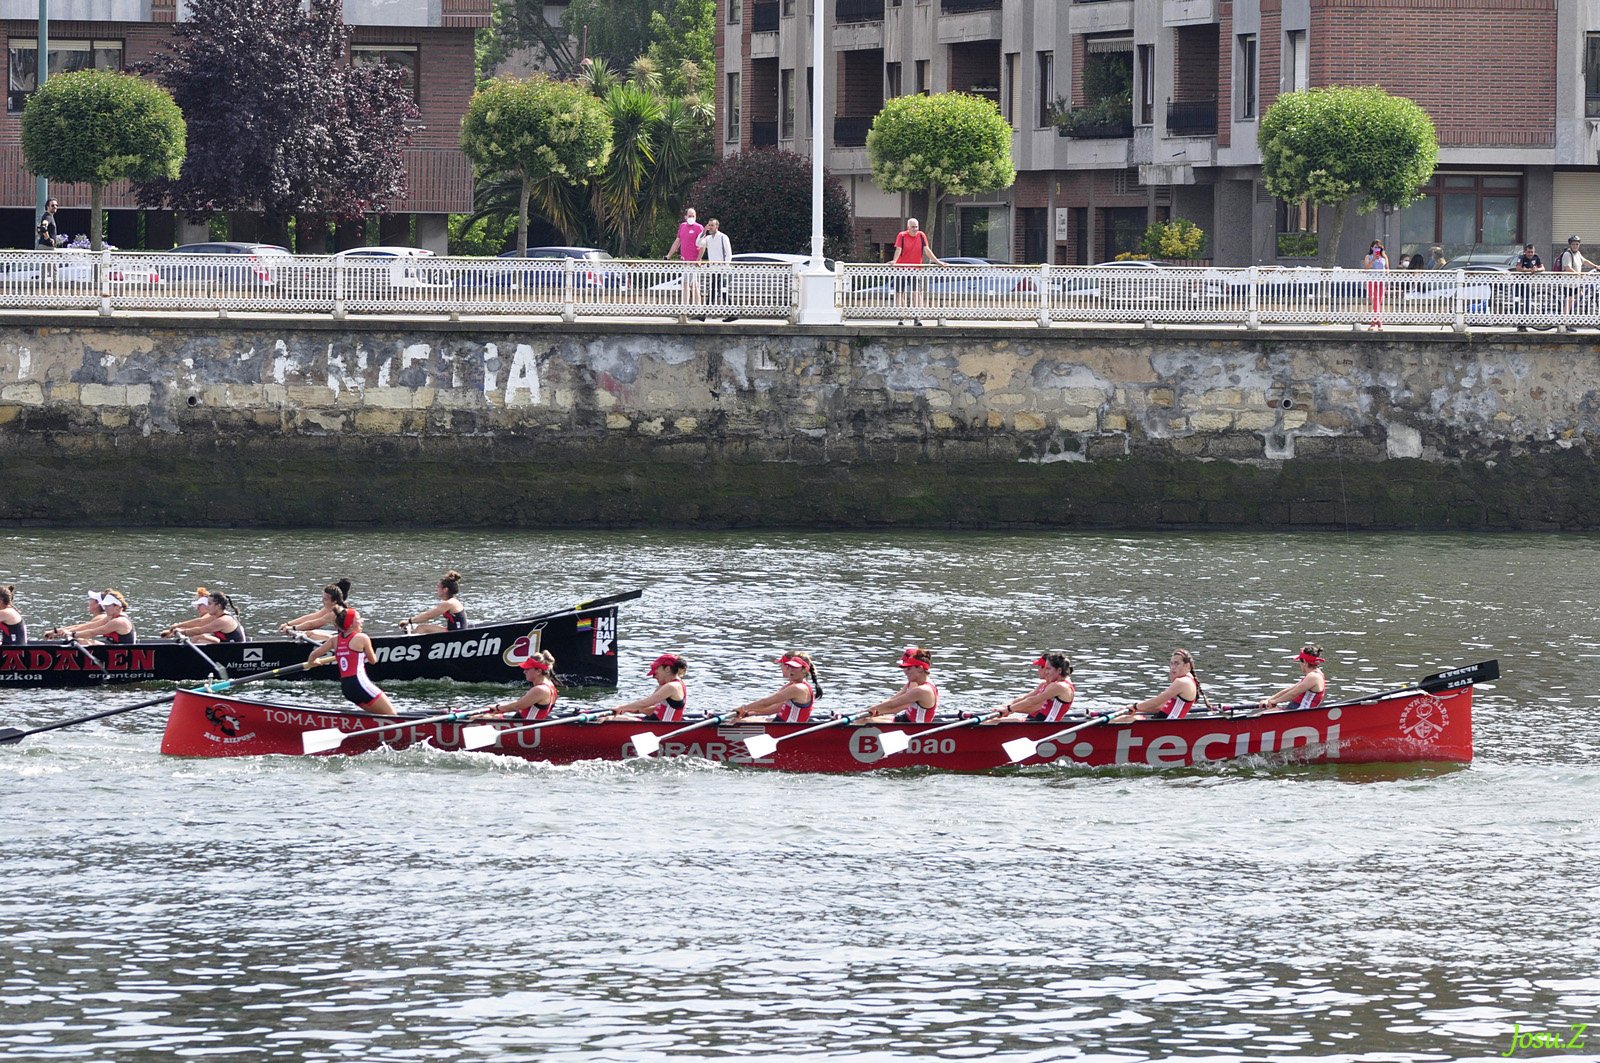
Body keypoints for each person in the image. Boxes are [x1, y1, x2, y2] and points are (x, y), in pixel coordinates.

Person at [306, 602, 396, 715]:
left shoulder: (334, 640)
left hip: (347, 688)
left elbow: (313, 655)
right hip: (360, 684)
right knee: (392, 715)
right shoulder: (362, 638)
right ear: (350, 625)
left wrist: (314, 662)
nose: (362, 621)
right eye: (358, 619)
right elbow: (373, 661)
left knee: (380, 715)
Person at [1119, 648, 1209, 721]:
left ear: (1187, 666)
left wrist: (1134, 706)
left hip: (1165, 724)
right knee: (1128, 716)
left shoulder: (1182, 682)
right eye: (1171, 664)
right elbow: (1159, 706)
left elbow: (1156, 702)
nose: (1173, 668)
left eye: (1177, 664)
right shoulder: (1189, 680)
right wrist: (1136, 710)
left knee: (1125, 719)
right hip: (1164, 721)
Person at [731, 651, 821, 723]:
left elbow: (765, 702)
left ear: (804, 670)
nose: (790, 670)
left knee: (734, 722)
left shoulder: (798, 688)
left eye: (794, 667)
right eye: (789, 667)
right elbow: (776, 707)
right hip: (780, 723)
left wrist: (743, 708)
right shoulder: (796, 685)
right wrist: (749, 713)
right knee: (739, 720)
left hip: (786, 729)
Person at [991, 652, 1076, 722]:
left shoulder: (1060, 686)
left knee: (995, 722)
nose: (1045, 672)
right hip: (1038, 721)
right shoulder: (1055, 683)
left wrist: (1009, 709)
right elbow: (1026, 698)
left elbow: (1032, 701)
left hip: (1045, 726)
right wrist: (1007, 708)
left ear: (1059, 670)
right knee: (995, 720)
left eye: (1048, 669)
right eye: (1045, 668)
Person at [863, 647, 940, 724]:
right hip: (905, 719)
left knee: (863, 721)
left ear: (920, 669)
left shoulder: (922, 690)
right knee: (865, 718)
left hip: (914, 727)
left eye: (909, 668)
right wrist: (873, 709)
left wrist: (873, 710)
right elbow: (893, 699)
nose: (905, 671)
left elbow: (893, 705)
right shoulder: (920, 682)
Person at [892, 217, 945, 326]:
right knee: (899, 293)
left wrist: (937, 262)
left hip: (916, 269)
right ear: (908, 227)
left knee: (917, 293)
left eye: (916, 227)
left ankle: (917, 317)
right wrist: (894, 261)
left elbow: (927, 250)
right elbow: (899, 249)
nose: (915, 229)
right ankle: (901, 316)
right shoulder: (902, 235)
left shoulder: (921, 235)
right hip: (901, 269)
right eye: (913, 227)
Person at [606, 653, 690, 721]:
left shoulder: (672, 686)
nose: (653, 677)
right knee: (613, 717)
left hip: (662, 727)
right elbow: (655, 709)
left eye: (655, 673)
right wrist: (628, 710)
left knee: (611, 719)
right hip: (654, 722)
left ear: (667, 669)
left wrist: (621, 707)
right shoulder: (665, 686)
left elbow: (644, 703)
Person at [483, 652, 559, 720]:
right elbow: (521, 703)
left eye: (527, 669)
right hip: (524, 723)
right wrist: (500, 708)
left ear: (538, 671)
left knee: (475, 718)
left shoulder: (540, 689)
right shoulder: (550, 685)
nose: (524, 671)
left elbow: (517, 706)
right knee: (486, 716)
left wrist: (497, 708)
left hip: (524, 728)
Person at [1258, 645, 1328, 712]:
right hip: (1295, 709)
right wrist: (1269, 699)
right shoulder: (1314, 674)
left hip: (1301, 712)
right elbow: (1291, 689)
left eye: (1300, 662)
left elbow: (1293, 694)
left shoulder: (1313, 677)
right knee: (1262, 714)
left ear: (1304, 662)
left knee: (1261, 715)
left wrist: (1275, 701)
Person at [162, 589, 246, 644]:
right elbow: (200, 622)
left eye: (209, 604)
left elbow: (201, 630)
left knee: (198, 637)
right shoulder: (216, 615)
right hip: (223, 645)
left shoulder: (224, 620)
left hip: (235, 652)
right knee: (198, 638)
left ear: (218, 606)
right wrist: (178, 625)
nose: (207, 607)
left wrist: (182, 631)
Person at [279, 578, 352, 640]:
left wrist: (293, 628)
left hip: (349, 641)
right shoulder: (334, 607)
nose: (322, 601)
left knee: (310, 634)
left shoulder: (334, 613)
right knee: (308, 633)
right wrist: (288, 624)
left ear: (334, 601)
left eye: (325, 599)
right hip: (344, 638)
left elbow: (312, 624)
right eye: (322, 598)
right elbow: (312, 617)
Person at [665, 206, 705, 313]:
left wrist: (699, 259)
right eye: (689, 215)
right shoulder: (682, 226)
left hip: (693, 262)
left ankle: (685, 308)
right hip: (685, 261)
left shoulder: (699, 228)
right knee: (693, 285)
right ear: (685, 216)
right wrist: (669, 255)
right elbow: (677, 242)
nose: (691, 217)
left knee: (686, 284)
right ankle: (698, 309)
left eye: (693, 216)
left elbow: (702, 246)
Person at [696, 218, 737, 322]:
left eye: (712, 225)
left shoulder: (723, 237)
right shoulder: (709, 238)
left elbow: (728, 254)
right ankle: (732, 313)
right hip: (714, 270)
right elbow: (698, 243)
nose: (710, 227)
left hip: (723, 270)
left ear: (717, 227)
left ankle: (704, 314)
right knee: (715, 291)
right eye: (709, 225)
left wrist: (725, 267)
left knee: (718, 291)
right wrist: (703, 232)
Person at [73, 591, 137, 645]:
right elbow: (93, 625)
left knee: (82, 641)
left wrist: (73, 635)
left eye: (108, 606)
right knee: (81, 640)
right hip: (112, 646)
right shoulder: (110, 617)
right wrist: (70, 631)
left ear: (117, 606)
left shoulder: (119, 621)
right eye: (105, 606)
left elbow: (93, 632)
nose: (105, 608)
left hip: (122, 653)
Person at [1558, 235, 1592, 331]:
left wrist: (1596, 266)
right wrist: (1579, 274)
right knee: (1569, 302)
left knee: (1579, 295)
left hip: (1575, 283)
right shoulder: (1567, 254)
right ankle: (1565, 323)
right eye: (1573, 244)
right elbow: (1567, 268)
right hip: (1568, 283)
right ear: (1570, 245)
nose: (1575, 246)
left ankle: (1567, 312)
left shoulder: (1578, 253)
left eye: (1577, 244)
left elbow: (1585, 261)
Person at [1512, 243, 1544, 330]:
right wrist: (1529, 270)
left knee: (1527, 302)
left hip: (1527, 284)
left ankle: (1525, 322)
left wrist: (1537, 269)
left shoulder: (1536, 257)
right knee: (1517, 302)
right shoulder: (1521, 257)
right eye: (1528, 252)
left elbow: (1542, 268)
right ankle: (1519, 323)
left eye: (1532, 252)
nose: (1530, 254)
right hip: (1518, 283)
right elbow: (1518, 268)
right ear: (1525, 252)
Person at [1363, 240, 1389, 330]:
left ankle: (1374, 322)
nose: (1377, 249)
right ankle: (1378, 322)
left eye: (1378, 247)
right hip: (1372, 281)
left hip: (1381, 281)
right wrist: (1373, 260)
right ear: (1371, 248)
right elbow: (1366, 268)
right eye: (1375, 247)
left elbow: (1387, 269)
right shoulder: (1368, 257)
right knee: (1375, 300)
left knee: (1379, 301)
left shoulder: (1384, 257)